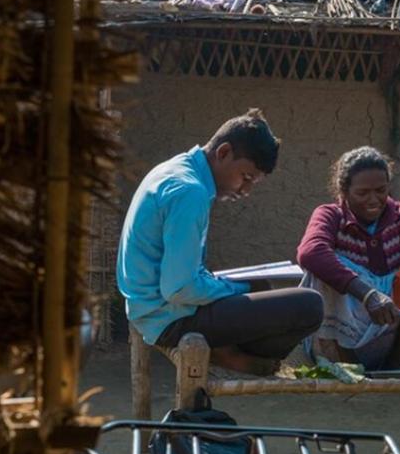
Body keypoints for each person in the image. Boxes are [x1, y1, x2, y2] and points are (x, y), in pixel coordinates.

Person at [117, 109, 323, 375]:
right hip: (170, 318)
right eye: (246, 177)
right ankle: (226, 353)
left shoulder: (176, 169)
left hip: (152, 307)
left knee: (260, 287)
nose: (245, 190)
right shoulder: (190, 192)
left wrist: (233, 286)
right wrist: (239, 288)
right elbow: (179, 289)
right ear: (223, 152)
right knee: (310, 306)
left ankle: (225, 347)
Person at [297, 146, 400, 370]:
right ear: (343, 192)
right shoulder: (330, 215)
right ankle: (349, 364)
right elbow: (310, 251)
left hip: (390, 326)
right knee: (321, 269)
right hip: (343, 334)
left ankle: (394, 361)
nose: (373, 200)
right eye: (362, 193)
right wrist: (367, 294)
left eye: (381, 190)